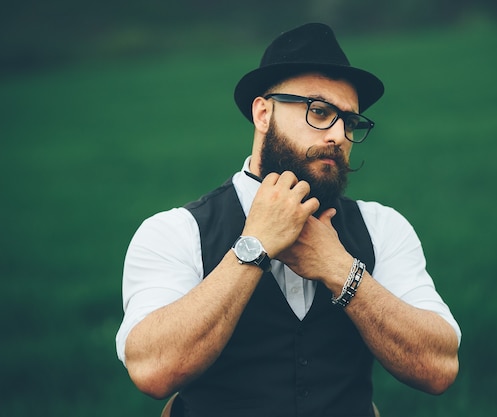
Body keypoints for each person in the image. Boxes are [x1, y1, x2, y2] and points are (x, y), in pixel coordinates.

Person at [116, 22, 461, 417]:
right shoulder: (176, 231)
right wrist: (254, 248)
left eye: (350, 122)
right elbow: (152, 371)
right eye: (319, 112)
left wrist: (339, 269)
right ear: (263, 113)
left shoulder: (382, 227)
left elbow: (440, 368)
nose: (338, 135)